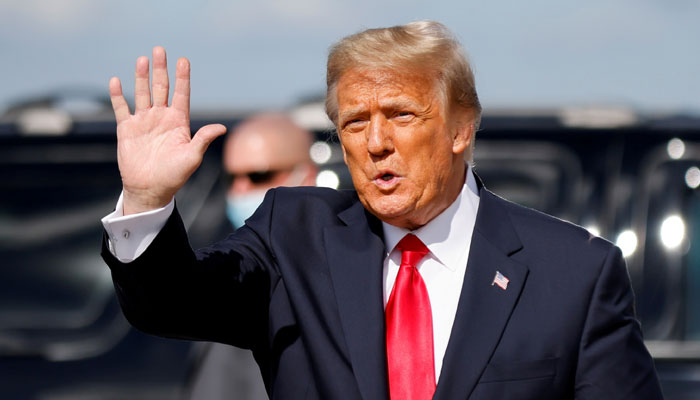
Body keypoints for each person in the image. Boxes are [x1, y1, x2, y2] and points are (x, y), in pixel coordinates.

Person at [101, 21, 663, 399]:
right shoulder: (293, 238)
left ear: (461, 127)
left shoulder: (574, 274)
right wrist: (149, 200)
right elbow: (171, 304)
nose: (375, 142)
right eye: (353, 122)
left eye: (399, 114)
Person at [184, 113, 316, 400]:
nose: (240, 189)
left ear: (307, 174)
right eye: (232, 177)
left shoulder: (334, 272)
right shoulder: (226, 263)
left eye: (258, 175)